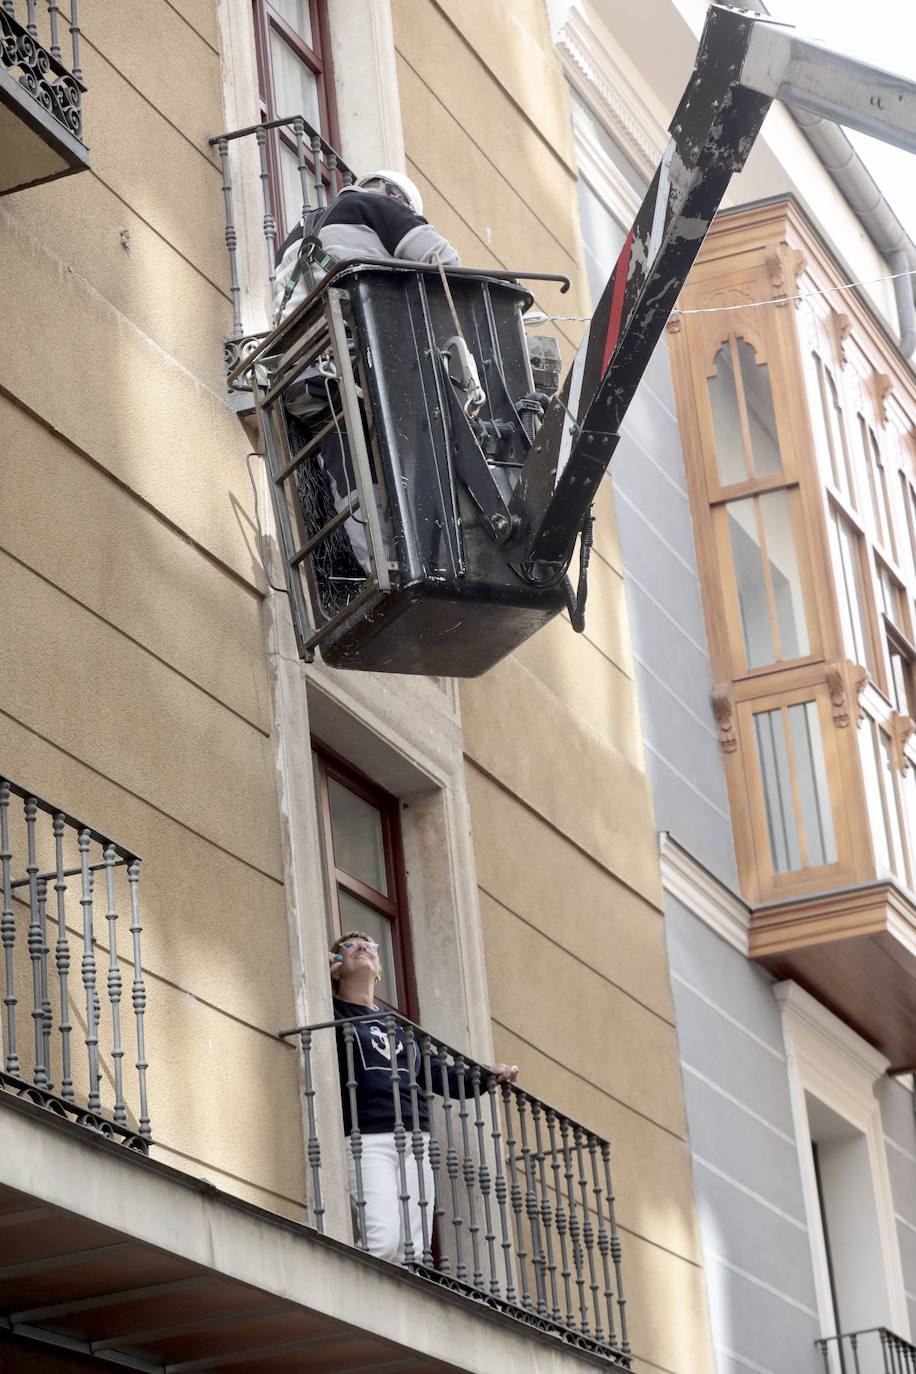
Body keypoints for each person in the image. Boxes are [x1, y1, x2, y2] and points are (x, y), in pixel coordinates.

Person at [273, 172, 461, 586]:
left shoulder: (300, 231)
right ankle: (410, 557)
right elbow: (445, 265)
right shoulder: (378, 207)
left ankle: (379, 565)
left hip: (301, 375)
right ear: (396, 196)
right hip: (348, 363)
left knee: (351, 464)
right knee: (407, 448)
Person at [329, 930, 518, 1266]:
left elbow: (441, 1075)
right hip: (367, 1139)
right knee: (382, 1242)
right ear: (337, 967)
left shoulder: (402, 1030)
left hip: (416, 1140)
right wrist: (320, 975)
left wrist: (489, 1076)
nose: (363, 948)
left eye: (370, 945)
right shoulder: (331, 1011)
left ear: (379, 969)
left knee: (413, 1252)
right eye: (350, 945)